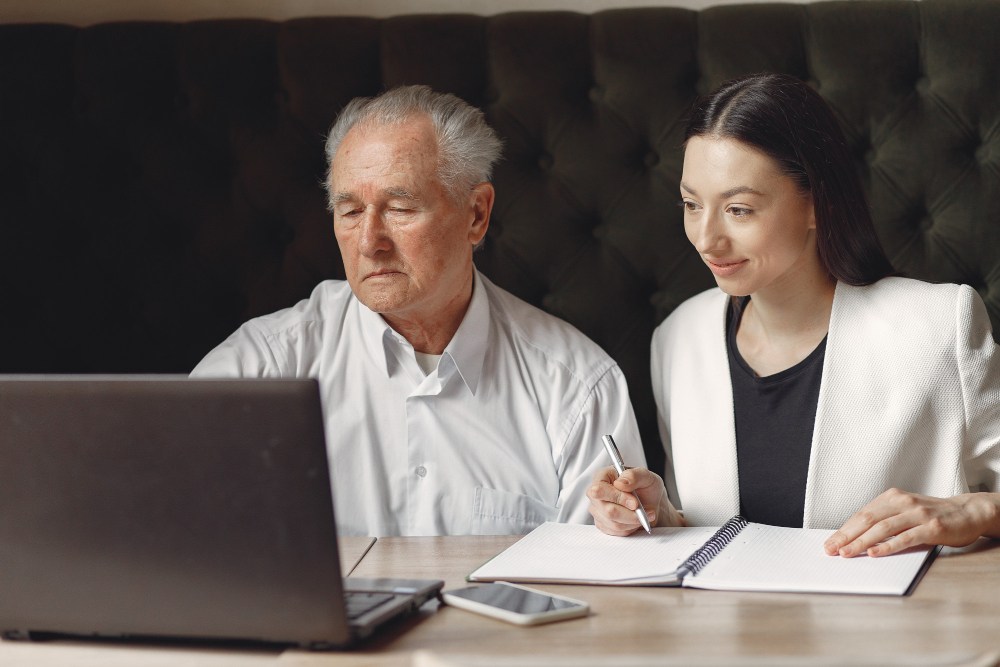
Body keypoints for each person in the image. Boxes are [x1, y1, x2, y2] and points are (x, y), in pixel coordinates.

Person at [192, 85, 645, 537]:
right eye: (349, 212)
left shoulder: (578, 386)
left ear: (476, 214)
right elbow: (169, 522)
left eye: (400, 208)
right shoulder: (261, 365)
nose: (370, 242)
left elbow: (604, 584)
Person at [588, 72, 1000, 558]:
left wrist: (976, 512)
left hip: (893, 627)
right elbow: (716, 533)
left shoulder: (936, 325)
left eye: (738, 209)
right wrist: (661, 516)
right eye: (691, 204)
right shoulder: (680, 337)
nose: (706, 239)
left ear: (816, 205)